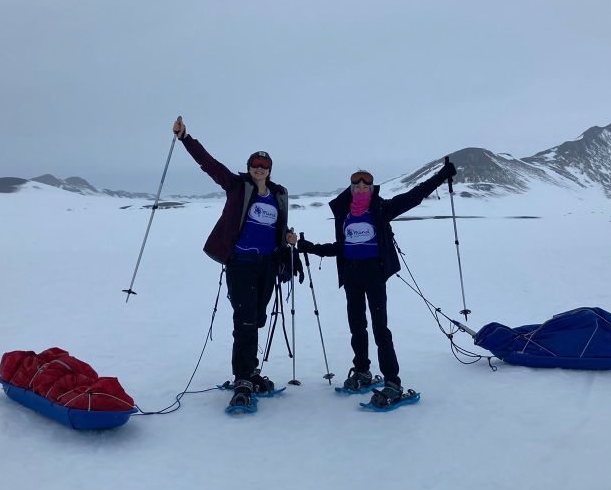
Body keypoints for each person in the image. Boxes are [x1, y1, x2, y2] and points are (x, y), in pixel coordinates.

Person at [297, 158, 455, 408]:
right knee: (357, 326)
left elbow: (414, 195)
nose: (360, 188)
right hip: (351, 276)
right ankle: (362, 371)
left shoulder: (380, 209)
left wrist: (441, 176)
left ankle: (392, 383)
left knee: (381, 329)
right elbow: (342, 247)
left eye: (365, 185)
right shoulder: (345, 214)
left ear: (371, 188)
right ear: (351, 188)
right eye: (356, 184)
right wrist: (311, 248)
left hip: (374, 275)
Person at [172, 117, 302, 411]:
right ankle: (242, 378)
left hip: (267, 265)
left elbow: (277, 228)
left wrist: (287, 239)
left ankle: (251, 371)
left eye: (264, 165)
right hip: (240, 264)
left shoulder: (278, 195)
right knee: (244, 321)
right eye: (255, 164)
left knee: (257, 319)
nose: (259, 168)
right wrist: (186, 138)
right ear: (249, 166)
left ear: (270, 170)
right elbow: (210, 164)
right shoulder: (237, 185)